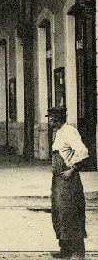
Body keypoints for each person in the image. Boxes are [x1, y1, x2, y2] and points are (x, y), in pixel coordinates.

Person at [48, 106, 88, 259]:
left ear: (56, 119)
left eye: (51, 118)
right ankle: (65, 250)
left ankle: (78, 252)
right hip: (58, 180)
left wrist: (73, 169)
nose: (49, 121)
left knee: (71, 213)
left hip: (68, 180)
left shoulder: (70, 131)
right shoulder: (58, 133)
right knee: (59, 213)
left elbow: (82, 151)